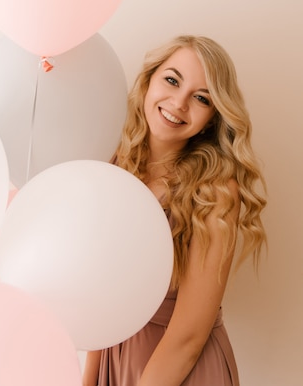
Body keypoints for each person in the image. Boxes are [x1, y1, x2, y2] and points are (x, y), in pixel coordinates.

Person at [82, 35, 267, 386]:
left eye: (201, 98)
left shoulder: (216, 192)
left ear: (213, 117)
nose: (179, 103)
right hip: (116, 356)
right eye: (171, 80)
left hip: (183, 370)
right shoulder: (115, 165)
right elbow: (100, 298)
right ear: (149, 81)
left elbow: (188, 339)